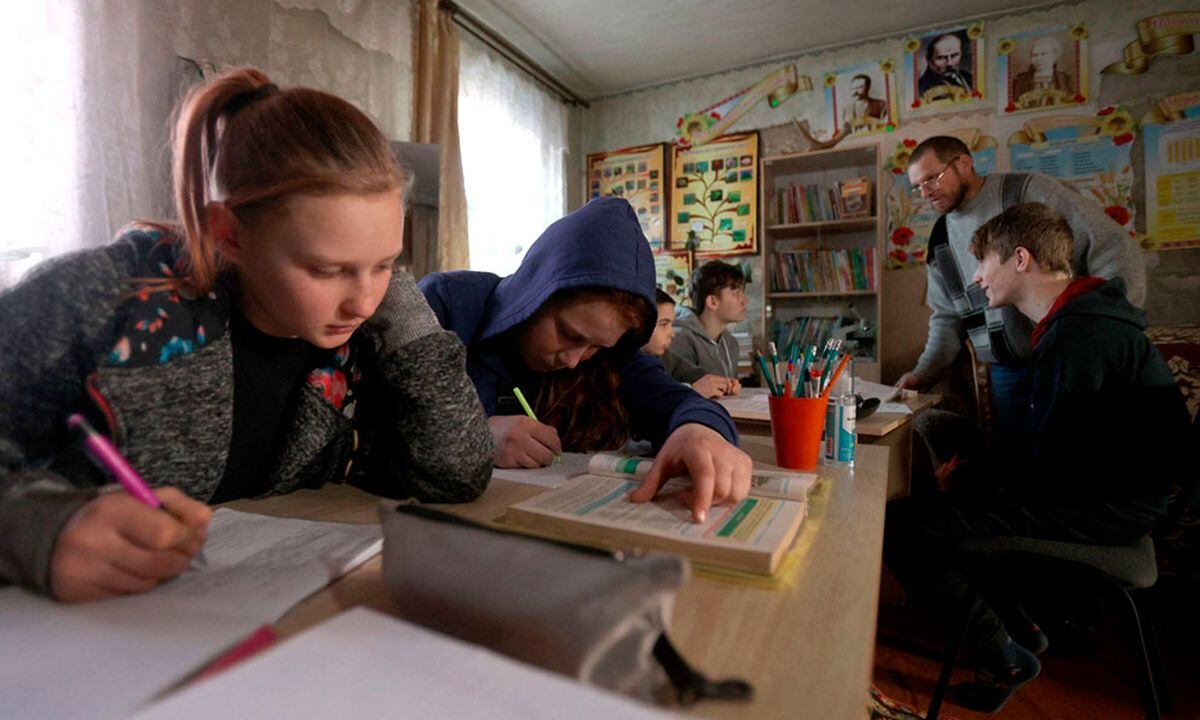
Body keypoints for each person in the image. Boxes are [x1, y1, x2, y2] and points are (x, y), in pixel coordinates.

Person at [0, 68, 493, 602]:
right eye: (327, 270)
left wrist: (400, 299)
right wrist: (35, 528)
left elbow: (456, 472)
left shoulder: (361, 332)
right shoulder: (99, 298)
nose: (362, 300)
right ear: (229, 234)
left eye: (385, 264)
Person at [884, 203, 1189, 713]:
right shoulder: (1079, 322)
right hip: (1105, 494)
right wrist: (975, 471)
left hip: (1109, 509)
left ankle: (1005, 652)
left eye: (983, 262)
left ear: (1020, 259)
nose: (978, 278)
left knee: (905, 526)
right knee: (947, 498)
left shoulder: (1081, 336)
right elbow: (1051, 444)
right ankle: (1021, 628)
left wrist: (971, 478)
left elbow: (1054, 463)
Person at [420, 197, 752, 523]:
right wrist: (474, 437)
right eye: (569, 333)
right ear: (535, 293)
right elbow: (376, 422)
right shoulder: (445, 306)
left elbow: (674, 399)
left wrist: (699, 430)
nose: (575, 360)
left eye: (596, 347)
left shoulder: (606, 356)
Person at [896, 135, 1145, 451]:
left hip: (1070, 358)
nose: (926, 192)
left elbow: (1114, 249)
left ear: (963, 163)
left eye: (932, 178)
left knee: (1083, 455)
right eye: (918, 187)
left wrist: (1110, 330)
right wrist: (923, 373)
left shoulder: (1028, 192)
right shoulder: (940, 239)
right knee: (1022, 466)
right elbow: (946, 319)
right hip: (1006, 371)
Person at [643, 288, 741, 399]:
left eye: (671, 324)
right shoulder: (629, 363)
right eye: (664, 324)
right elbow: (650, 398)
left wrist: (722, 383)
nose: (672, 334)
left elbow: (693, 373)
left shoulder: (664, 355)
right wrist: (692, 390)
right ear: (639, 324)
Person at [671, 260, 748, 380]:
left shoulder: (731, 343)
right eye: (736, 293)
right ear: (712, 302)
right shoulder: (681, 340)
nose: (745, 301)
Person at [1011, 36, 1073, 107]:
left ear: (1054, 56)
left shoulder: (1065, 79)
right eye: (1035, 55)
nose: (1039, 59)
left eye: (1043, 54)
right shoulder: (1019, 81)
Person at [918, 32, 974, 99]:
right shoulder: (921, 88)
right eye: (941, 58)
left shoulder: (968, 77)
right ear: (929, 60)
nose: (949, 63)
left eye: (954, 55)